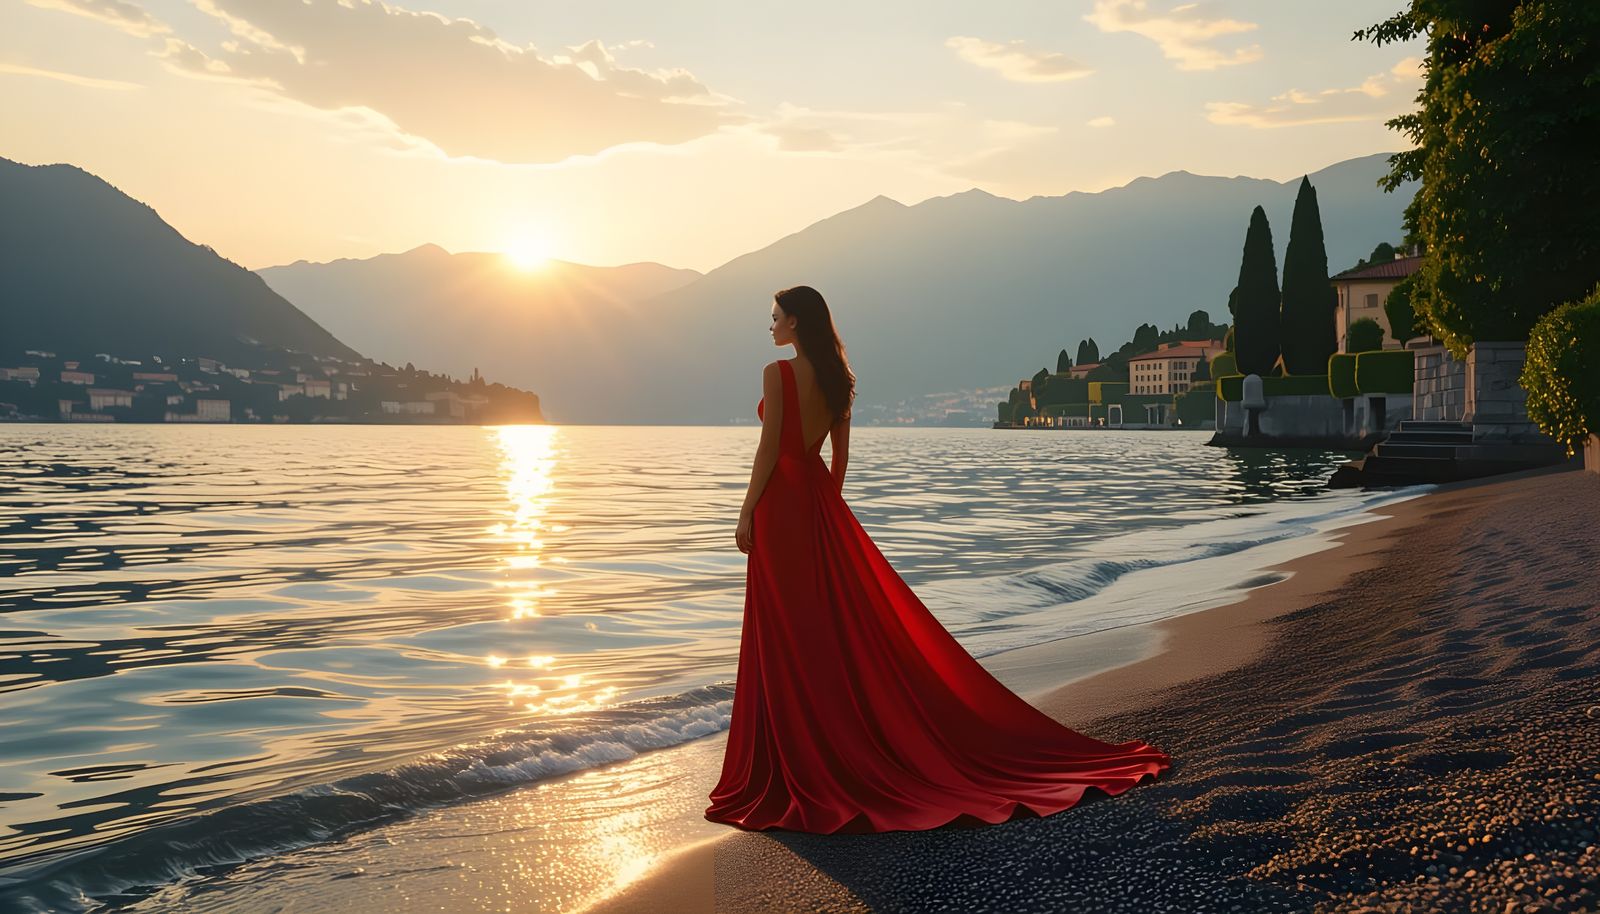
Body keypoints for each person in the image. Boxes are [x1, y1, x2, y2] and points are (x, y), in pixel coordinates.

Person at [705, 285, 1171, 834]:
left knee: (787, 629)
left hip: (780, 507)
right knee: (827, 626)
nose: (770, 326)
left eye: (776, 317)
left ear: (797, 323)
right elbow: (838, 462)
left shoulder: (776, 374)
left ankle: (799, 755)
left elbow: (768, 449)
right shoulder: (840, 381)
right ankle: (833, 738)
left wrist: (746, 511)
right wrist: (826, 513)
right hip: (817, 505)